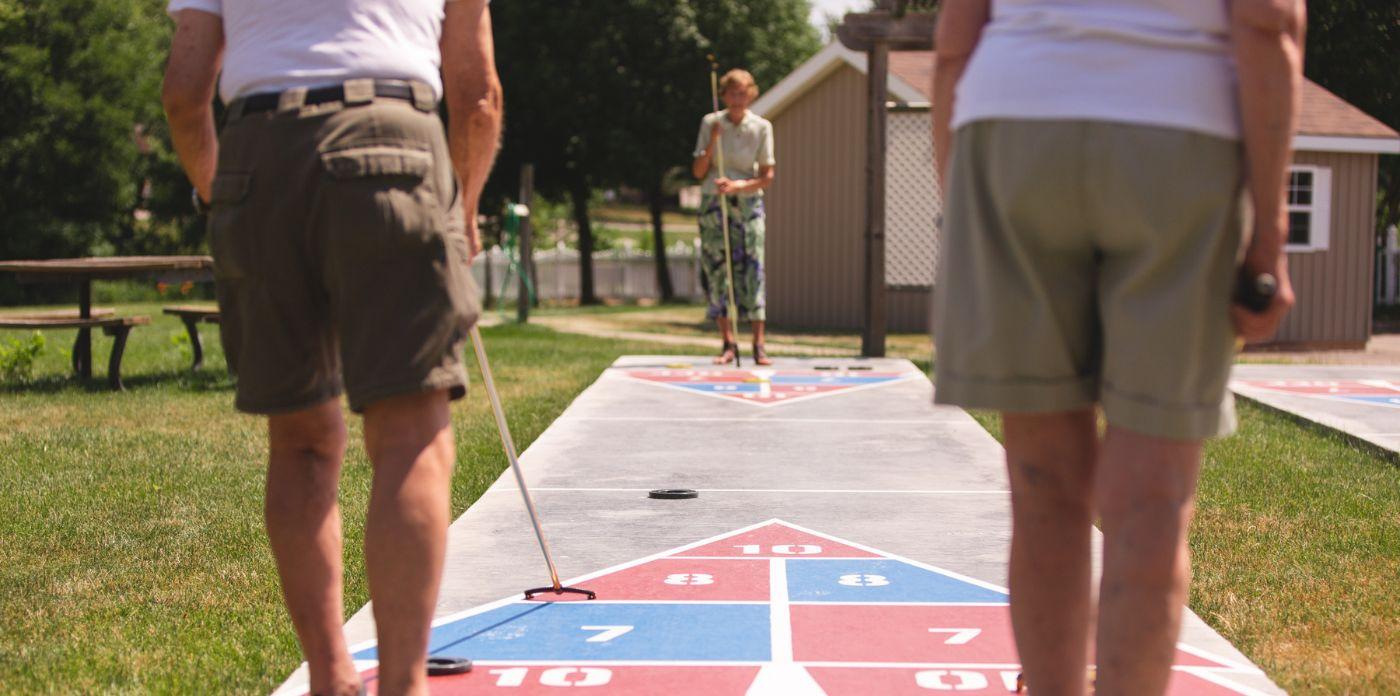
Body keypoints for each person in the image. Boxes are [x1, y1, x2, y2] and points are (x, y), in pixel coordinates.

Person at [931, 0, 1301, 693]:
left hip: (1014, 125)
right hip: (1179, 135)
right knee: (1152, 498)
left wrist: (964, 207)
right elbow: (1268, 22)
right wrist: (1270, 239)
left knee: (1042, 485)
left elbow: (955, 39)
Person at [162, 0, 501, 693]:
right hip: (389, 134)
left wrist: (225, 195)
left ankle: (331, 677)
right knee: (410, 433)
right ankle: (403, 684)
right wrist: (462, 211)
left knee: (300, 441)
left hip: (256, 147)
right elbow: (477, 94)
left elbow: (183, 91)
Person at [692, 69, 777, 365]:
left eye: (743, 93)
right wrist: (713, 141)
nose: (737, 99)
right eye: (732, 93)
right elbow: (698, 171)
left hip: (747, 203)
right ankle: (728, 343)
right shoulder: (711, 123)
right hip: (714, 204)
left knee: (753, 267)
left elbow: (767, 176)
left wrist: (739, 186)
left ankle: (758, 345)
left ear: (750, 94)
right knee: (718, 270)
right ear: (724, 96)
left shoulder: (761, 127)